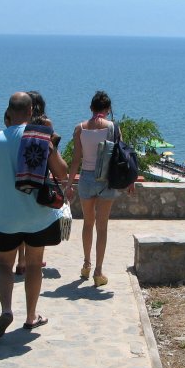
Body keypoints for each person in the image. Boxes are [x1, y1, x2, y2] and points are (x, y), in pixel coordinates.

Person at [0, 91, 68, 337]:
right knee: (33, 265)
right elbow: (62, 172)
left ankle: (6, 310)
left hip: (7, 217)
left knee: (3, 264)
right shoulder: (40, 137)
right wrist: (51, 143)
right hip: (37, 216)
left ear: (8, 112)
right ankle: (31, 316)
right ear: (31, 111)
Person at [65, 90, 132, 286]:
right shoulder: (113, 127)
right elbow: (123, 156)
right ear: (108, 109)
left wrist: (69, 185)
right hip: (106, 180)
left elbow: (75, 160)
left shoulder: (80, 129)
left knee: (88, 223)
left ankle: (86, 265)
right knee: (102, 227)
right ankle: (98, 272)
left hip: (86, 179)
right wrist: (130, 180)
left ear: (91, 108)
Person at [14, 91, 57, 275]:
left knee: (21, 220)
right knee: (39, 219)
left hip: (23, 171)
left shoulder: (22, 123)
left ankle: (21, 261)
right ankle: (36, 258)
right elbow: (52, 149)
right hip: (41, 173)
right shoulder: (46, 123)